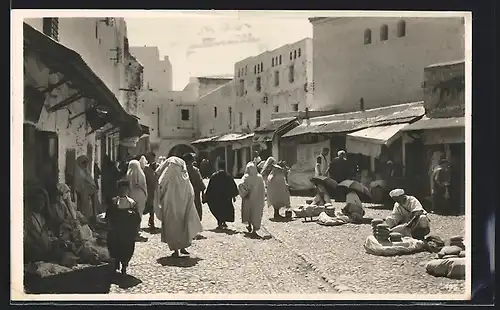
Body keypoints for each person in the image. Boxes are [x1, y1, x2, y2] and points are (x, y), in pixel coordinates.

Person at [154, 156, 203, 257]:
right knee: (183, 224)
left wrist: (159, 195)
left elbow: (160, 183)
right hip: (183, 204)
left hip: (170, 203)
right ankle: (182, 247)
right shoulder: (183, 174)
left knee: (172, 225)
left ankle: (176, 249)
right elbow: (190, 190)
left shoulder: (170, 171)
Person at [106, 179, 141, 274]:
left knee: (127, 248)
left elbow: (137, 218)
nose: (123, 191)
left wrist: (135, 229)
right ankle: (116, 263)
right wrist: (109, 226)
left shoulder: (132, 203)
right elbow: (108, 215)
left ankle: (124, 265)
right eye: (121, 189)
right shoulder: (114, 202)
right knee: (115, 247)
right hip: (116, 230)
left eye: (125, 189)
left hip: (127, 231)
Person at [205, 160, 239, 229]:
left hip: (216, 197)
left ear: (218, 166)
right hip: (226, 198)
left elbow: (210, 187)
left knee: (217, 209)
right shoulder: (228, 176)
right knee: (225, 209)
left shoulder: (214, 176)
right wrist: (233, 196)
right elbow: (232, 186)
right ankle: (223, 221)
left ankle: (220, 222)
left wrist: (206, 196)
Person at [238, 162, 266, 237]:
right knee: (256, 213)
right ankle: (254, 229)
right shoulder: (259, 177)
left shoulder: (246, 177)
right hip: (257, 200)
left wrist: (245, 192)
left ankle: (249, 225)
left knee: (248, 212)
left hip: (248, 199)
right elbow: (263, 189)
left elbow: (240, 185)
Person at [126, 160, 148, 242]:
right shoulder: (140, 173)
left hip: (131, 195)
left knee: (131, 214)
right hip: (140, 195)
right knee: (139, 213)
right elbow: (144, 185)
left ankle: (131, 230)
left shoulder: (128, 174)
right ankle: (137, 231)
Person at [73, 155, 98, 220]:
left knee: (91, 205)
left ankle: (93, 217)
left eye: (87, 163)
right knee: (83, 207)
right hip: (81, 191)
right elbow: (78, 183)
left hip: (87, 191)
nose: (86, 164)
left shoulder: (85, 170)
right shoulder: (78, 171)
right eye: (84, 163)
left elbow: (90, 179)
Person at [183, 153, 206, 222]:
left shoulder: (182, 171)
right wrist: (203, 192)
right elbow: (200, 181)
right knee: (196, 207)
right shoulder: (195, 170)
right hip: (195, 192)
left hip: (185, 192)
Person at [140, 155, 158, 229]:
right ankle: (151, 220)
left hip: (155, 189)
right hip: (148, 189)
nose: (152, 159)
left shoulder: (157, 166)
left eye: (153, 158)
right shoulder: (146, 168)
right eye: (150, 158)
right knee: (149, 205)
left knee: (153, 205)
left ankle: (152, 220)